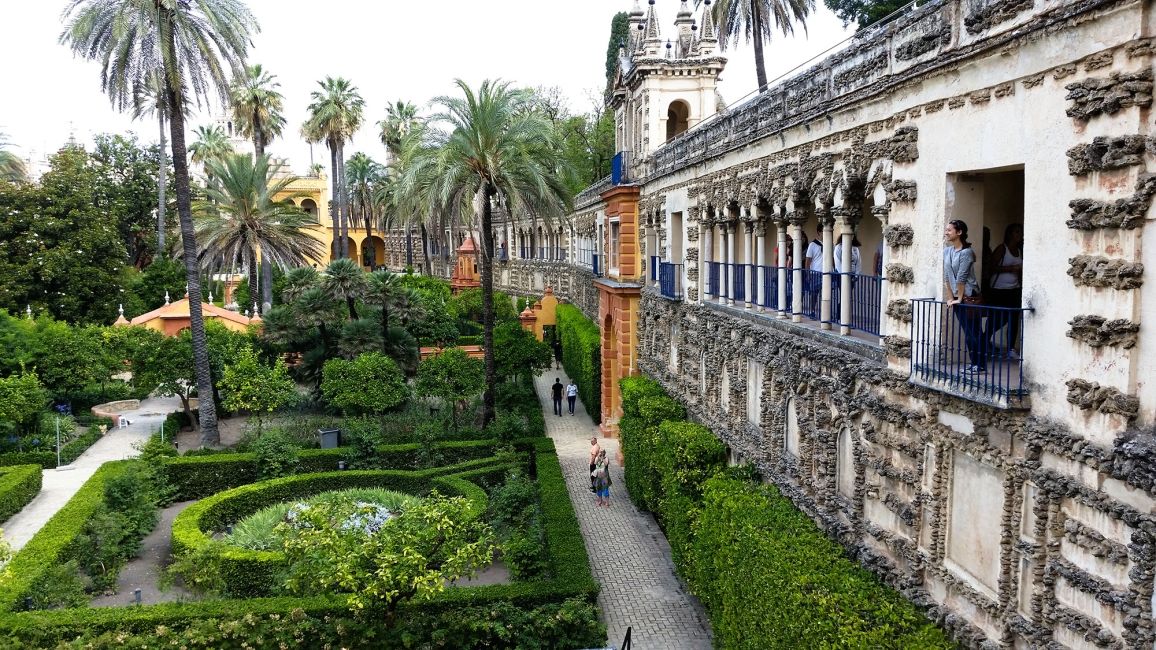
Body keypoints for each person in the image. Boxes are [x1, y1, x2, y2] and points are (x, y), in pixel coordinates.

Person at [943, 220, 987, 374]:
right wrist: (950, 297)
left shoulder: (967, 252)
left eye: (949, 230)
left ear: (959, 232)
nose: (946, 232)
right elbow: (947, 276)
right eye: (946, 230)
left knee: (973, 332)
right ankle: (975, 363)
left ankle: (979, 364)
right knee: (968, 332)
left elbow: (962, 277)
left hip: (969, 295)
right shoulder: (947, 251)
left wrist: (959, 299)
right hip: (957, 296)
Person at [985, 223, 1024, 360]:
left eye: (1020, 232)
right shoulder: (1002, 248)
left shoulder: (1019, 251)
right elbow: (991, 267)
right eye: (1017, 232)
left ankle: (1011, 348)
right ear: (1009, 234)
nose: (1019, 235)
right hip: (999, 290)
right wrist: (1010, 269)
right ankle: (984, 339)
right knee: (997, 319)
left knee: (1013, 318)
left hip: (1014, 289)